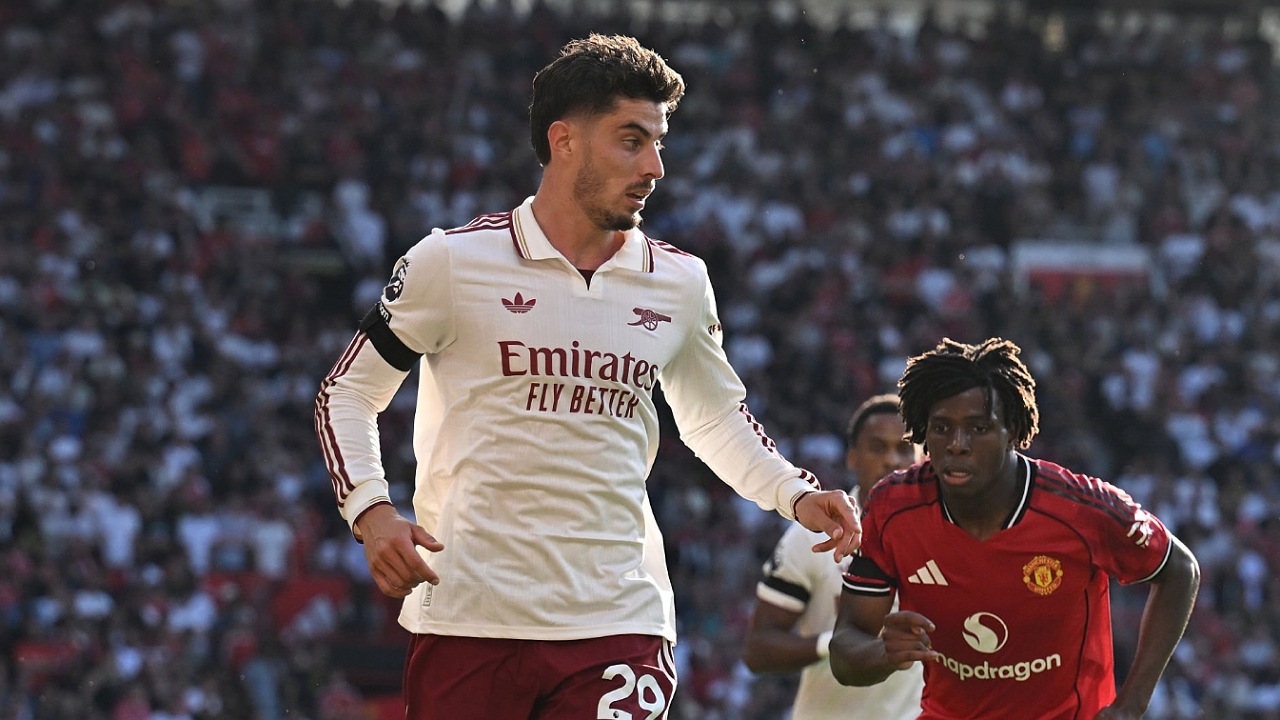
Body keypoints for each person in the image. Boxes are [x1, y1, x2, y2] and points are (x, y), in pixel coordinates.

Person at [313, 34, 860, 720]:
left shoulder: (680, 282)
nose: (655, 165)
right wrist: (370, 510)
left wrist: (795, 494)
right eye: (631, 140)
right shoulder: (451, 263)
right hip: (470, 619)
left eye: (660, 143)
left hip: (618, 621)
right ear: (564, 139)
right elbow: (348, 391)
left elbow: (714, 418)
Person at [829, 338, 1200, 720]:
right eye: (941, 428)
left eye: (978, 428)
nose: (957, 444)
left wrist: (1132, 703)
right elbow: (845, 652)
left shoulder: (1080, 509)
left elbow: (1179, 570)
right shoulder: (892, 508)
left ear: (1013, 431)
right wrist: (884, 653)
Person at [743, 394, 924, 719]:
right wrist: (839, 643)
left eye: (904, 448)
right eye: (878, 447)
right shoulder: (814, 534)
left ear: (921, 457)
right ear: (852, 457)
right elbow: (758, 650)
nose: (891, 460)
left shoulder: (946, 536)